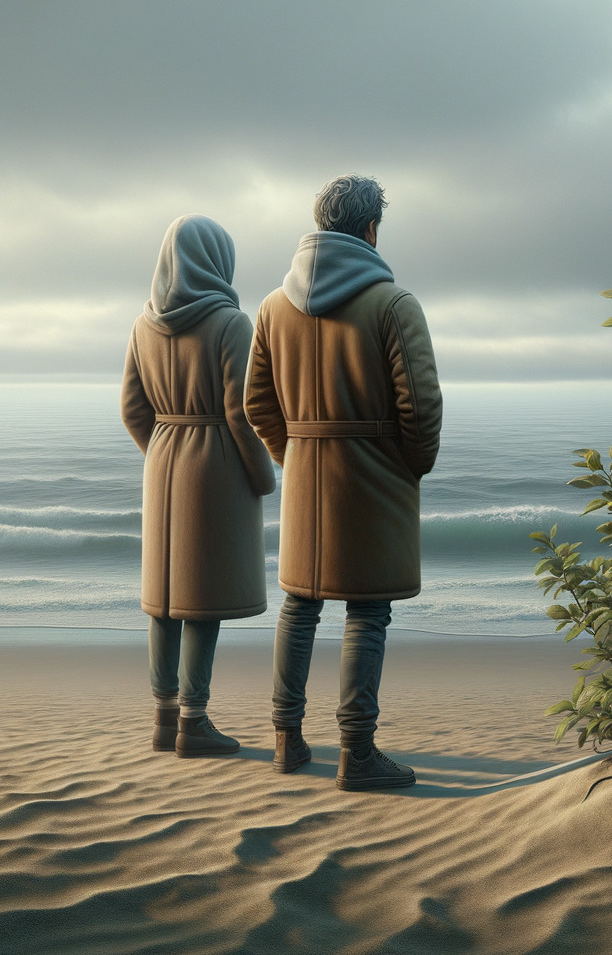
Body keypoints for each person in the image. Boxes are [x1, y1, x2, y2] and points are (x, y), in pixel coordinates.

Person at [244, 174, 442, 789]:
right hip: (373, 477)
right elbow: (421, 409)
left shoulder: (272, 308)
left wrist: (295, 456)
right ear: (371, 230)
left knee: (299, 606)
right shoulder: (393, 304)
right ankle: (357, 754)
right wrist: (408, 466)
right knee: (368, 611)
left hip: (307, 477)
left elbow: (256, 404)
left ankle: (286, 741)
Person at [122, 215, 276, 757]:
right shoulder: (231, 323)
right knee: (202, 597)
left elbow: (132, 410)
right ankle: (194, 720)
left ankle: (164, 719)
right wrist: (263, 476)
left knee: (164, 598)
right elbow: (241, 413)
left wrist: (162, 450)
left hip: (162, 459)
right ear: (215, 260)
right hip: (214, 468)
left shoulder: (142, 325)